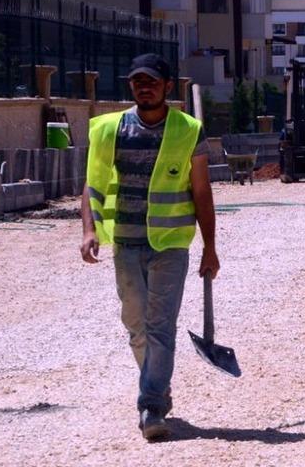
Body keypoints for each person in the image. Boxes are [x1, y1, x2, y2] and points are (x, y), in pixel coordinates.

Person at [79, 53, 220, 440]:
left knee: (160, 329)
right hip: (126, 243)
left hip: (170, 246)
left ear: (168, 86)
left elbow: (202, 194)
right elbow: (92, 185)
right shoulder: (111, 130)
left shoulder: (188, 130)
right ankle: (157, 384)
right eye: (138, 81)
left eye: (152, 81)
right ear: (131, 86)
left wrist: (210, 247)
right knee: (136, 327)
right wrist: (89, 231)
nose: (145, 86)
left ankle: (152, 405)